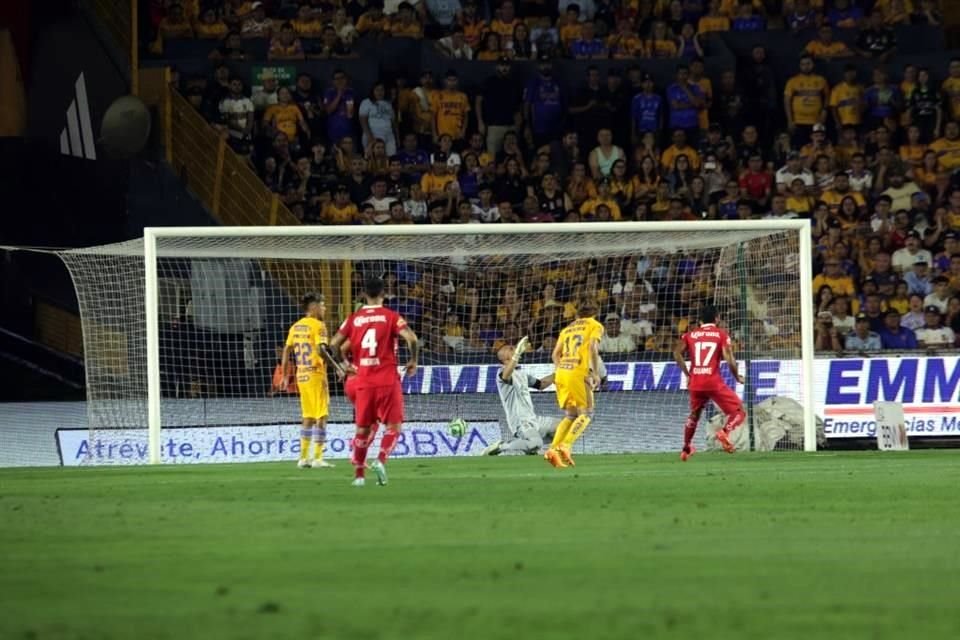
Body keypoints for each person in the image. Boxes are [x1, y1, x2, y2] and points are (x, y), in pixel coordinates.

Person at [329, 276, 419, 486]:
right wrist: (413, 360)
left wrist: (343, 365)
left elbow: (333, 344)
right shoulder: (391, 316)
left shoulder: (354, 318)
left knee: (362, 429)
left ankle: (359, 476)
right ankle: (380, 460)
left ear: (363, 294)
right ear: (384, 294)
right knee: (393, 427)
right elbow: (412, 338)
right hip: (387, 379)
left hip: (363, 381)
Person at [673, 305, 745, 459]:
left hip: (695, 382)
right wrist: (737, 376)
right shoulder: (721, 335)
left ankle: (686, 448)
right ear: (717, 318)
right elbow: (729, 358)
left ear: (700, 320)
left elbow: (677, 353)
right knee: (739, 412)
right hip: (713, 381)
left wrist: (687, 374)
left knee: (694, 415)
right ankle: (725, 432)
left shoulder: (690, 335)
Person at [545, 298, 604, 468]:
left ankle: (553, 450)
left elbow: (555, 355)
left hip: (562, 372)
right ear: (596, 312)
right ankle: (566, 445)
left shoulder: (567, 329)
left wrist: (561, 370)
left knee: (571, 415)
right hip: (578, 372)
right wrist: (594, 372)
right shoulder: (595, 325)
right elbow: (593, 347)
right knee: (586, 413)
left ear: (578, 313)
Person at [280, 293, 335, 469]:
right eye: (322, 304)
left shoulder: (296, 327)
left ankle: (303, 458)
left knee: (308, 416)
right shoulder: (319, 326)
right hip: (316, 374)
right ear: (314, 307)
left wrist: (283, 375)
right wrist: (337, 367)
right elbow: (321, 350)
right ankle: (318, 458)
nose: (324, 308)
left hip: (301, 375)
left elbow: (287, 350)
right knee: (322, 416)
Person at [482, 336, 558, 456]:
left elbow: (541, 385)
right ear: (504, 357)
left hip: (533, 419)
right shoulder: (501, 373)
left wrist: (557, 374)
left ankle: (529, 446)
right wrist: (516, 354)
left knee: (562, 428)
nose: (515, 349)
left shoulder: (522, 374)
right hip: (520, 422)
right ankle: (501, 446)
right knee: (536, 443)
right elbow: (506, 375)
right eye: (511, 348)